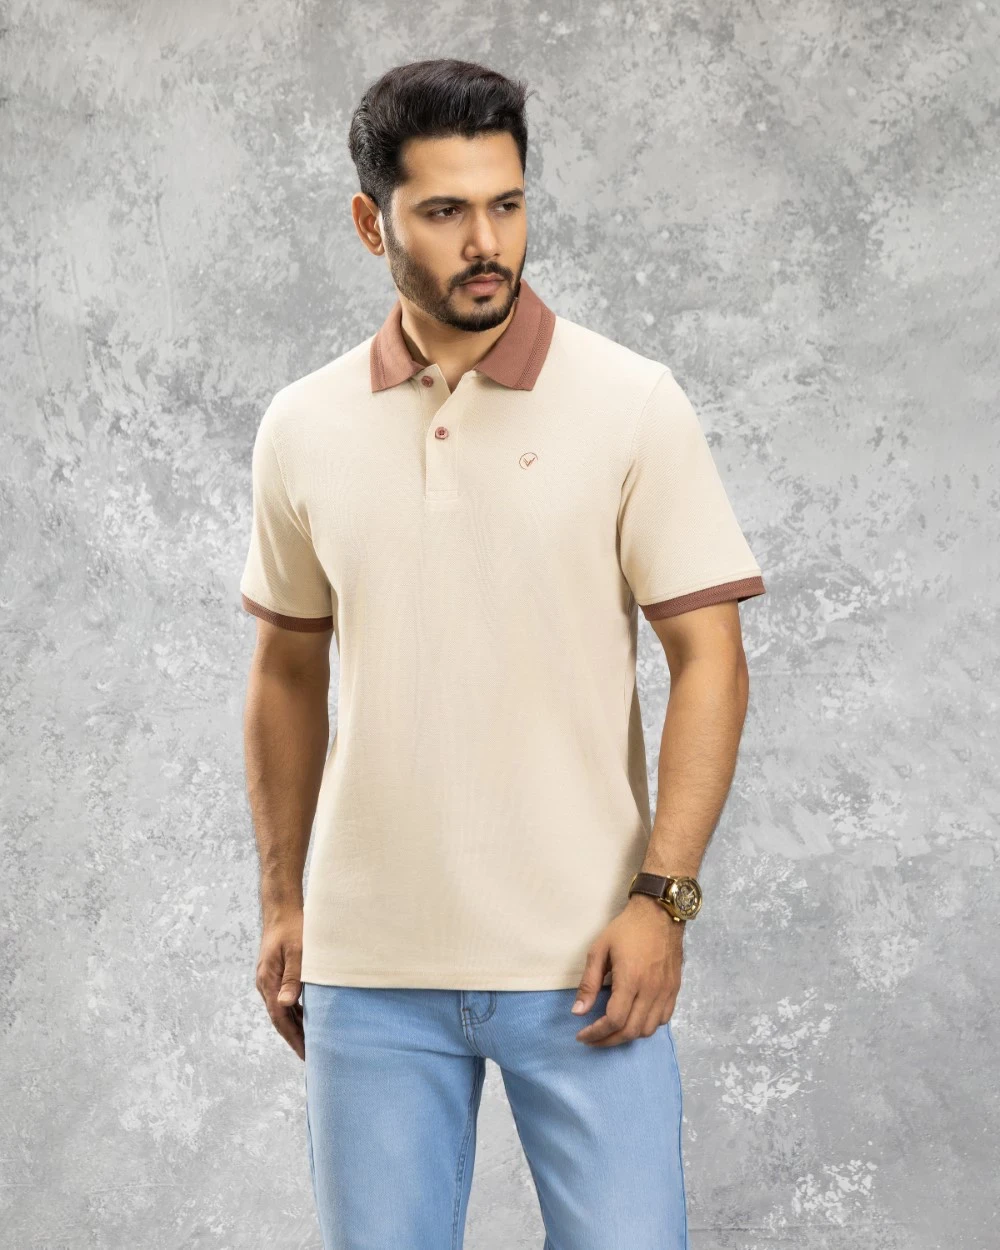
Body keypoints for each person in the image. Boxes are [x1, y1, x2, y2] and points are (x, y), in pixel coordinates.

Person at [240, 56, 766, 1250]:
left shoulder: (630, 402)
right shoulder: (302, 425)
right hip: (368, 967)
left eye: (506, 204)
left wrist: (664, 898)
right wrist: (283, 898)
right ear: (371, 222)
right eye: (444, 211)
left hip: (585, 956)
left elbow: (711, 658)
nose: (486, 242)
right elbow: (283, 671)